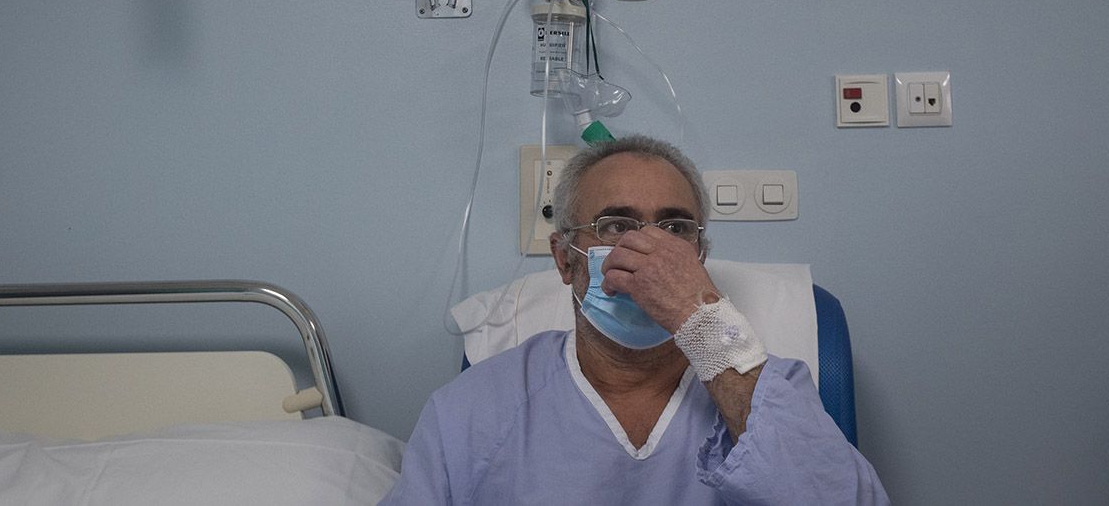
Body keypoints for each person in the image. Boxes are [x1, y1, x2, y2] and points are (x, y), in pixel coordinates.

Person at [381, 135, 889, 504]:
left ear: (698, 259)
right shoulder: (472, 411)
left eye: (675, 228)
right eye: (616, 225)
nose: (649, 249)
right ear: (565, 259)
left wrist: (703, 322)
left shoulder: (769, 390)